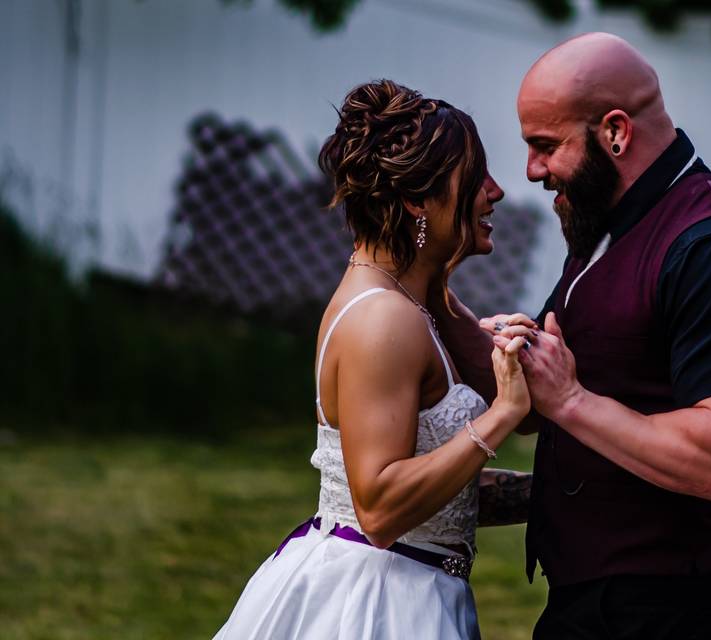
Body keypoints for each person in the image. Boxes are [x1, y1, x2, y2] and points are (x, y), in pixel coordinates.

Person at [431, 33, 711, 639]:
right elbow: (534, 399)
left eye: (546, 146)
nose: (531, 171)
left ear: (616, 132)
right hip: (594, 601)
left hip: (669, 611)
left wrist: (572, 402)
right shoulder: (605, 226)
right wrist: (430, 292)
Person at [213, 80, 533, 640]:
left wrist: (578, 494)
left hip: (411, 586)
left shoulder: (411, 302)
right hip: (377, 606)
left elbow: (443, 494)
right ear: (416, 200)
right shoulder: (383, 319)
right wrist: (499, 415)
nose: (496, 191)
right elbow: (381, 509)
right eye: (476, 176)